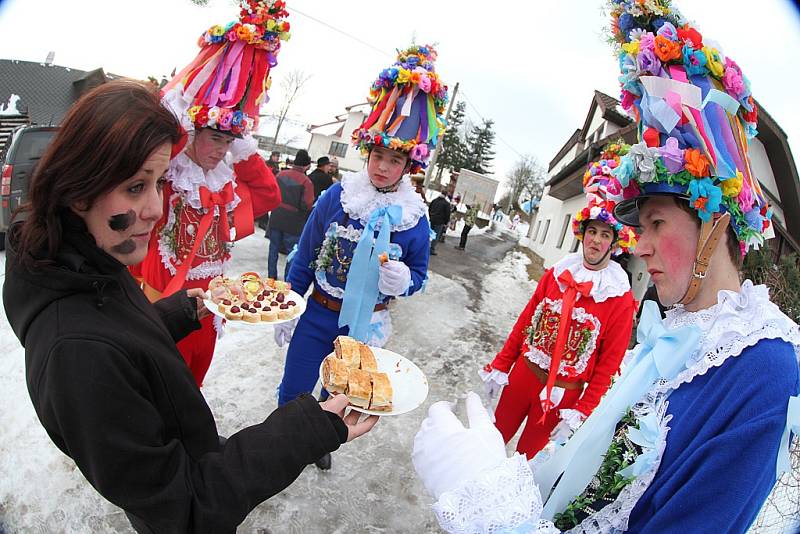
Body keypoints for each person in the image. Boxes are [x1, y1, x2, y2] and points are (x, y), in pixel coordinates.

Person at [412, 3, 799, 532]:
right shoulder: (674, 334)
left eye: (657, 224)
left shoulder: (764, 370)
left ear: (716, 224)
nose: (639, 247)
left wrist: (495, 514)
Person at [3, 79, 378, 534]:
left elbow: (117, 336)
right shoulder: (77, 353)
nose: (156, 208)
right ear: (79, 188)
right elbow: (185, 509)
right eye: (136, 187)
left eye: (159, 182)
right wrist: (306, 431)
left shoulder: (91, 258)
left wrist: (181, 313)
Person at [274, 44, 447, 470]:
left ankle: (316, 444)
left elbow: (421, 275)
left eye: (394, 159)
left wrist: (404, 278)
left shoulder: (414, 218)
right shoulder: (338, 196)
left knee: (336, 397)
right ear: (366, 152)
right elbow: (307, 255)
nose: (383, 167)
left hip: (365, 325)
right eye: (377, 156)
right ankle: (276, 451)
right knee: (293, 388)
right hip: (317, 312)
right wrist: (289, 305)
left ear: (408, 165)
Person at [133, 3, 284, 387]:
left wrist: (242, 147)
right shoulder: (166, 179)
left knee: (190, 396)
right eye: (215, 137)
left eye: (228, 141)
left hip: (207, 317)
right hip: (162, 308)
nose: (221, 149)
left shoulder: (226, 186)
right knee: (154, 397)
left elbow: (268, 195)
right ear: (193, 132)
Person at [479, 147, 637, 459]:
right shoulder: (557, 274)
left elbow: (607, 366)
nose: (595, 240)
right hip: (523, 374)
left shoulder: (619, 298)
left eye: (605, 235)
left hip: (561, 395)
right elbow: (526, 324)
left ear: (615, 244)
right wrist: (501, 364)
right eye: (592, 231)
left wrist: (581, 410)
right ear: (583, 234)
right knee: (488, 448)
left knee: (524, 467)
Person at [267, 149, 314, 280]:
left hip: (276, 217)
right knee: (291, 252)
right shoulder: (306, 182)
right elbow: (307, 204)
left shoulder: (280, 174)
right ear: (306, 165)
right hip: (294, 223)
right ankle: (287, 280)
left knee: (273, 249)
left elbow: (271, 193)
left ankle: (271, 277)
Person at [257, 150, 283, 233]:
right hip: (264, 186)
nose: (276, 158)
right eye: (275, 156)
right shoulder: (267, 163)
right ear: (272, 156)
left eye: (278, 156)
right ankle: (262, 221)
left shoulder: (277, 165)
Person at [427, 191, 451, 255]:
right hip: (440, 222)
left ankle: (425, 247)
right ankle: (431, 249)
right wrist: (446, 222)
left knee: (430, 234)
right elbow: (447, 214)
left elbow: (429, 209)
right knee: (436, 236)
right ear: (445, 195)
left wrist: (431, 216)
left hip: (432, 220)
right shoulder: (446, 204)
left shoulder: (434, 200)